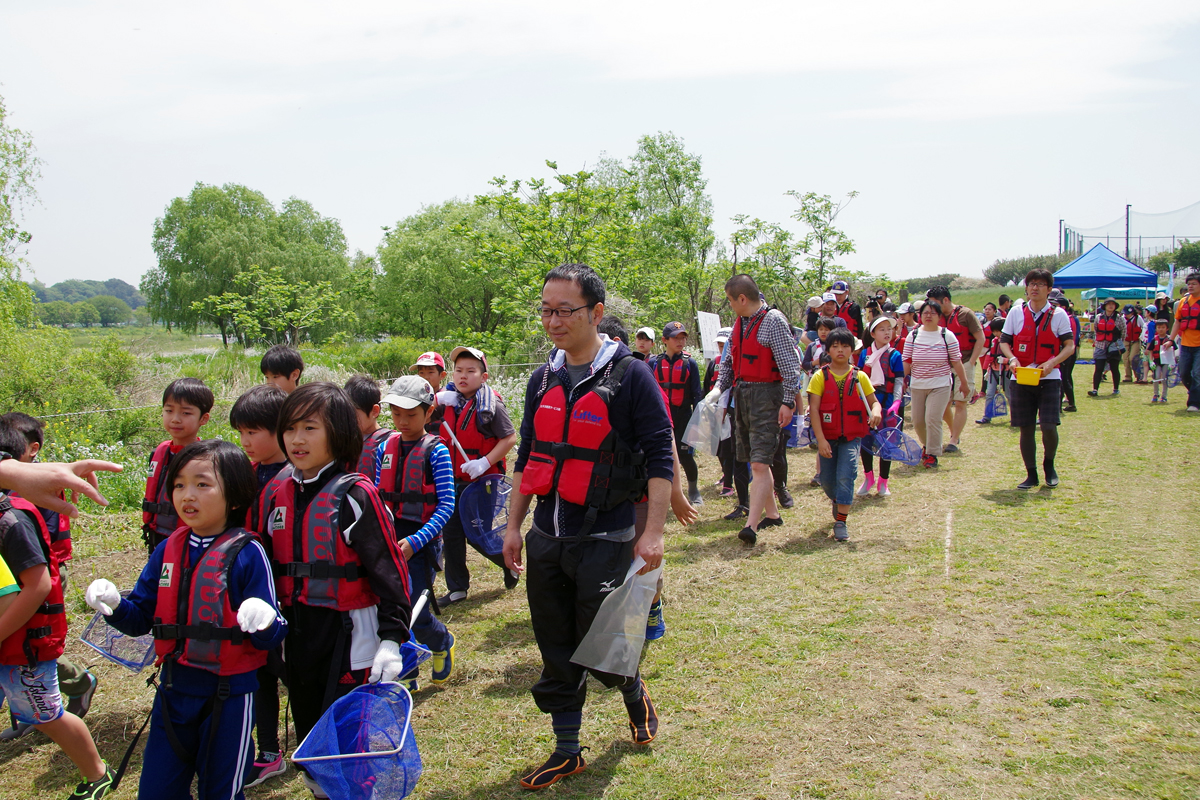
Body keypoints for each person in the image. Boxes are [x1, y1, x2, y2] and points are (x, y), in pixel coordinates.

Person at [502, 264, 673, 790]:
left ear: (596, 313)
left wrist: (654, 533)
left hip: (606, 535)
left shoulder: (632, 375)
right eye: (546, 310)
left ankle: (631, 689)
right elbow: (529, 457)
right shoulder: (542, 378)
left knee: (605, 647)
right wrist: (513, 526)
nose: (552, 321)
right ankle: (567, 749)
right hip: (548, 536)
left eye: (564, 310)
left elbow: (660, 457)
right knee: (555, 644)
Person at [84, 440, 286, 800]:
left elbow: (271, 637)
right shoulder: (168, 549)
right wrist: (114, 604)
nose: (186, 495)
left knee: (220, 792)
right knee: (157, 791)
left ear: (235, 495)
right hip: (174, 688)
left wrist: (266, 619)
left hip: (229, 695)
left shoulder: (248, 552)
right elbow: (140, 620)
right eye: (179, 484)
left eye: (202, 484)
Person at [255, 383, 413, 797]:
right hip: (297, 631)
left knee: (347, 740)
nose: (297, 439)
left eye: (310, 428)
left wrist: (392, 640)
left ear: (338, 432)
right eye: (289, 429)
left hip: (347, 633)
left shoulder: (356, 495)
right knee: (311, 737)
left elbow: (389, 572)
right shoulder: (276, 493)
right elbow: (261, 565)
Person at [0, 431, 114, 799]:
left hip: (21, 647)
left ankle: (98, 773)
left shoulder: (10, 523)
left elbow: (38, 586)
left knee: (45, 713)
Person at [376, 376, 457, 690]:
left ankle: (441, 640)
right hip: (388, 537)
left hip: (420, 543)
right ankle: (406, 676)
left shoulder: (437, 452)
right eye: (396, 414)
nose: (402, 421)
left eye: (410, 414)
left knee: (414, 611)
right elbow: (372, 494)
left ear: (429, 411)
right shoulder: (385, 447)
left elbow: (447, 505)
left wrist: (416, 541)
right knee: (390, 610)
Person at [228, 384, 290, 788]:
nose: (246, 442)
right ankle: (268, 750)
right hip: (249, 593)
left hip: (288, 596)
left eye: (254, 432)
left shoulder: (295, 477)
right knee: (261, 674)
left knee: (295, 673)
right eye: (241, 433)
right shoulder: (243, 475)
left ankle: (316, 742)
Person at [429, 346, 519, 604]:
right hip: (450, 480)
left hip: (482, 482)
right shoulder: (447, 400)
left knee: (477, 534)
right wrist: (436, 400)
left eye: (471, 371)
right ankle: (457, 588)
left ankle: (507, 562)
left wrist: (484, 462)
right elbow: (419, 415)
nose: (463, 376)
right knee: (452, 533)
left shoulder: (490, 405)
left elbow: (510, 437)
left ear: (484, 376)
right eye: (458, 370)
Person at [716, 274, 800, 546]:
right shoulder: (740, 323)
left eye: (730, 300)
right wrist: (719, 390)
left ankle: (751, 524)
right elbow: (730, 362)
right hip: (743, 395)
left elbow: (790, 366)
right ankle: (773, 515)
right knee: (754, 458)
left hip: (767, 396)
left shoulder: (774, 321)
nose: (730, 305)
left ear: (742, 298)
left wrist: (788, 402)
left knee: (760, 463)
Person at [1000, 268, 1076, 489]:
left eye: (1040, 284)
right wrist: (1012, 358)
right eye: (1031, 284)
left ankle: (1049, 466)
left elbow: (1069, 346)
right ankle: (1030, 474)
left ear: (1049, 289)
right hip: (1021, 377)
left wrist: (1052, 362)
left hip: (1049, 377)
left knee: (1049, 425)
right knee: (1025, 427)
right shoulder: (1016, 312)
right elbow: (1004, 341)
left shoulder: (1059, 315)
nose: (1035, 288)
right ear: (1026, 287)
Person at [808, 329, 882, 541]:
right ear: (828, 350)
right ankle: (837, 500)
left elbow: (873, 402)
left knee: (846, 476)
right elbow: (814, 410)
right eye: (835, 346)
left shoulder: (860, 376)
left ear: (852, 349)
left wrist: (876, 411)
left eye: (845, 346)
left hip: (851, 437)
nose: (840, 350)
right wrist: (821, 440)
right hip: (828, 438)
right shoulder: (819, 376)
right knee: (828, 481)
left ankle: (841, 521)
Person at [143, 378, 214, 554]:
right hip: (155, 535)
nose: (175, 419)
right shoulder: (159, 453)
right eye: (169, 410)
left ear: (203, 419)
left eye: (185, 413)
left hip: (190, 540)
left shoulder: (206, 460)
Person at [904, 302, 968, 469]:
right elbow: (907, 361)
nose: (928, 315)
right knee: (918, 421)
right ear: (920, 315)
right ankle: (927, 446)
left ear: (939, 316)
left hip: (940, 384)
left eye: (933, 313)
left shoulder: (947, 335)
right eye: (925, 312)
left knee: (932, 418)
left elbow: (956, 360)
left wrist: (964, 383)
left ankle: (932, 454)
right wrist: (900, 381)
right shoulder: (914, 335)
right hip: (917, 384)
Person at [926, 286, 984, 453]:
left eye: (935, 303)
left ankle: (953, 440)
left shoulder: (966, 314)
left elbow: (980, 337)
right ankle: (954, 433)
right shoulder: (936, 317)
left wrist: (972, 361)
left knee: (960, 402)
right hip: (944, 365)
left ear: (945, 300)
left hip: (964, 362)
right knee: (943, 404)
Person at [650, 322, 703, 505]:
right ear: (665, 340)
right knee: (658, 456)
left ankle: (694, 491)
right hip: (661, 417)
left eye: (683, 337)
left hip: (683, 417)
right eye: (675, 338)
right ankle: (660, 493)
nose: (680, 341)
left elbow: (697, 394)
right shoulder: (653, 363)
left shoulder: (690, 363)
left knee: (686, 456)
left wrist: (697, 421)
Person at [856, 317, 904, 498]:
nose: (887, 332)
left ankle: (884, 481)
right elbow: (859, 379)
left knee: (888, 442)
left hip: (888, 402)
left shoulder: (895, 355)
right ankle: (868, 478)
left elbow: (899, 380)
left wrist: (897, 402)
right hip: (867, 403)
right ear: (873, 333)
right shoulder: (864, 354)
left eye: (889, 329)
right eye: (882, 329)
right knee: (866, 440)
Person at [344, 374, 391, 482]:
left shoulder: (389, 443)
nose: (349, 419)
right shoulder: (345, 442)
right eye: (346, 413)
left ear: (375, 411)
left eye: (354, 413)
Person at [1171, 273, 1200, 412]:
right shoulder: (1183, 301)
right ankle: (1196, 393)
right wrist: (1170, 339)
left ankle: (1194, 403)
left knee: (1197, 373)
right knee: (1184, 373)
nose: (1191, 286)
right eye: (1189, 283)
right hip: (1186, 344)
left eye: (1194, 283)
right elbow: (1178, 321)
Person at [976, 318, 1009, 424]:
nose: (995, 333)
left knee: (1009, 394)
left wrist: (1005, 361)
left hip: (1006, 371)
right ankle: (987, 416)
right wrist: (986, 369)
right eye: (993, 331)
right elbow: (990, 356)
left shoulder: (1010, 341)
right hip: (993, 370)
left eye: (997, 331)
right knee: (990, 393)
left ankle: (1016, 416)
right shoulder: (994, 341)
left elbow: (1015, 357)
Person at [1089, 298, 1123, 397]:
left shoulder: (1119, 318)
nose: (1111, 306)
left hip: (1113, 346)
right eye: (1109, 304)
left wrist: (1119, 344)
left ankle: (1116, 388)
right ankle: (1095, 389)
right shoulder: (1099, 317)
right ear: (1105, 306)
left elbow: (1123, 331)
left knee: (1114, 368)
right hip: (1100, 345)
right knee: (1098, 368)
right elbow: (1096, 329)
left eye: (1113, 304)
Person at [409, 351, 448, 434]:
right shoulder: (415, 397)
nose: (425, 377)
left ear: (442, 375)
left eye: (430, 372)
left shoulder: (446, 398)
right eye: (421, 373)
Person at [1057, 297, 1080, 411]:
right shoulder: (1071, 318)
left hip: (1065, 352)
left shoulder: (1067, 319)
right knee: (1065, 378)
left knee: (1062, 378)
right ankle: (1070, 403)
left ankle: (1062, 405)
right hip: (1068, 352)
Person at [1146, 320, 1175, 404]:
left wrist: (1171, 363)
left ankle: (1164, 396)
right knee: (1156, 377)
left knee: (1164, 378)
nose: (1161, 329)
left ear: (1167, 328)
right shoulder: (1154, 339)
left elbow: (1173, 351)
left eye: (1163, 327)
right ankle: (1156, 394)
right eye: (1159, 327)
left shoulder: (1169, 339)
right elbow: (1150, 351)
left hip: (1166, 361)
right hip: (1157, 362)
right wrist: (1151, 361)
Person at [1121, 305, 1145, 384]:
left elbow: (1144, 327)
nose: (1126, 315)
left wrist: (1142, 338)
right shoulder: (1122, 319)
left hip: (1136, 340)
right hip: (1126, 340)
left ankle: (1138, 375)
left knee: (1133, 358)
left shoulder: (1138, 318)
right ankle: (1128, 376)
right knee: (1125, 359)